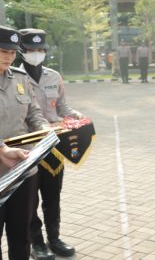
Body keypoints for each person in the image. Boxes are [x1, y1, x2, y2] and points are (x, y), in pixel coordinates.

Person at [18, 29, 82, 260]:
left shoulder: (54, 76)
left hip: (54, 146)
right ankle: (37, 242)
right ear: (21, 52)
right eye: (31, 50)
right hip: (27, 150)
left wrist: (76, 116)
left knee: (53, 194)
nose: (36, 54)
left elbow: (62, 107)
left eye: (40, 50)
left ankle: (54, 238)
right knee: (29, 198)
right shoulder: (15, 78)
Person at [0, 26, 50, 260]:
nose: (7, 57)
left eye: (11, 53)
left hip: (23, 171)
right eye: (2, 51)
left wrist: (44, 130)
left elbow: (34, 113)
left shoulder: (20, 79)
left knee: (21, 234)